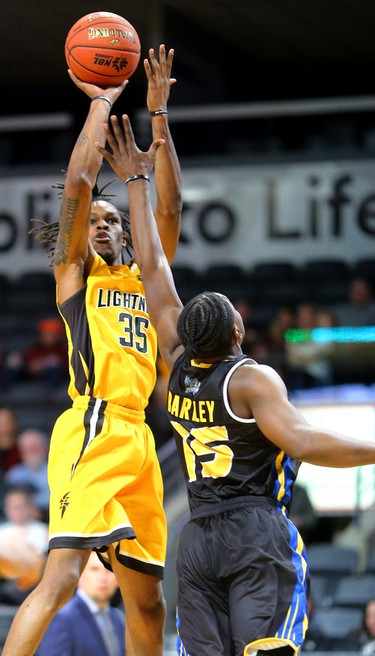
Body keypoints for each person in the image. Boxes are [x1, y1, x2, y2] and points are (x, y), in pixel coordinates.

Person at [96, 113, 375, 656]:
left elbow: (152, 266)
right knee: (267, 650)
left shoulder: (175, 363)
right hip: (255, 530)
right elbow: (306, 443)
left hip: (198, 540)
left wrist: (134, 180)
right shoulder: (251, 378)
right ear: (239, 332)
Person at [2, 44, 181, 656]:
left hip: (139, 438)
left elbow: (170, 206)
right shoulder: (74, 276)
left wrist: (158, 119)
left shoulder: (146, 280)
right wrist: (102, 102)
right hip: (91, 424)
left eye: (112, 220)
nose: (101, 223)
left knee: (150, 602)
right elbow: (79, 183)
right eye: (94, 220)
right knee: (61, 580)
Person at [38, 551, 125, 656]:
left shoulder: (119, 618)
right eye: (94, 569)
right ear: (80, 575)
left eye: (109, 570)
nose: (103, 578)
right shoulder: (61, 618)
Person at [0, 485, 48, 601]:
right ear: (7, 509)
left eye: (20, 507)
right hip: (6, 583)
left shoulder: (44, 530)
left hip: (37, 582)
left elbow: (41, 560)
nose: (17, 511)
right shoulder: (2, 531)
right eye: (13, 507)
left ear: (30, 508)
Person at [4, 428, 50, 522]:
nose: (31, 452)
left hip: (49, 517)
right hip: (18, 520)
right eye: (27, 449)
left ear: (45, 448)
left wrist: (33, 507)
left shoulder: (54, 470)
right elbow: (7, 500)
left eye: (35, 447)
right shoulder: (14, 474)